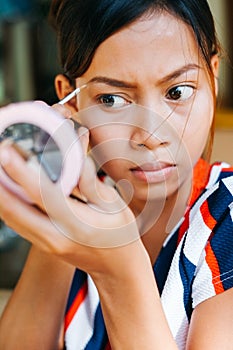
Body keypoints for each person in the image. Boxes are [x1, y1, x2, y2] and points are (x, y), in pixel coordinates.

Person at [0, 0, 233, 349]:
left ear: (213, 78)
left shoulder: (226, 219)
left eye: (177, 92)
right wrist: (58, 201)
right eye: (111, 99)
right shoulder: (84, 208)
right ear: (71, 100)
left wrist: (120, 271)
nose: (151, 134)